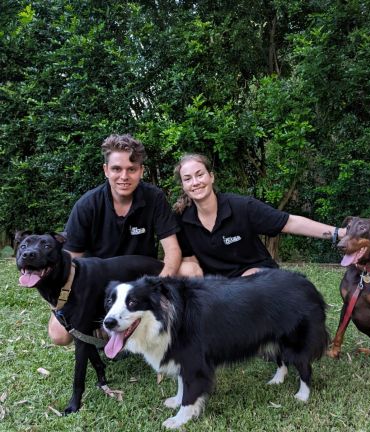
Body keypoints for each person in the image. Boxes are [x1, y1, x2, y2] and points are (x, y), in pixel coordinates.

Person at [49, 134, 182, 345]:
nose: (124, 176)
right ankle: (102, 326)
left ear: (141, 171)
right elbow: (69, 264)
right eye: (116, 169)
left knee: (191, 271)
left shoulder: (154, 197)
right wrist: (72, 302)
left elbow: (173, 251)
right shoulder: (87, 205)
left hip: (139, 282)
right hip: (98, 286)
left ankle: (171, 328)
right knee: (59, 334)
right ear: (105, 170)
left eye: (132, 169)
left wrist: (156, 290)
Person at [173, 153, 346, 278]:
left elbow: (290, 222)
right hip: (220, 290)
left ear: (211, 177)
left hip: (256, 277)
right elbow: (191, 263)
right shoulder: (182, 218)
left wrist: (338, 232)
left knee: (249, 283)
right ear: (183, 185)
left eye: (200, 174)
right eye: (187, 179)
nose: (195, 182)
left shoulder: (242, 206)